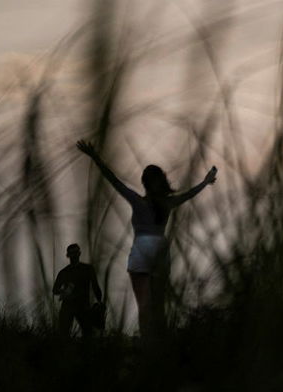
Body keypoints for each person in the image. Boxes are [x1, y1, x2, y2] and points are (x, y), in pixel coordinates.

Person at [76, 140, 217, 337]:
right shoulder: (155, 202)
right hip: (150, 253)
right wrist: (95, 158)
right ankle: (151, 343)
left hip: (149, 253)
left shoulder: (157, 202)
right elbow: (114, 181)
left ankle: (152, 343)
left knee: (152, 304)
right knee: (150, 304)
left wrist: (205, 182)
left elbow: (114, 180)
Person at [53, 243, 103, 337]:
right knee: (64, 333)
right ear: (68, 255)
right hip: (70, 305)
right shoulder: (65, 272)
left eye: (75, 253)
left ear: (79, 253)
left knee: (87, 334)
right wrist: (64, 291)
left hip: (82, 306)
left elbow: (95, 286)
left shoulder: (87, 269)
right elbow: (55, 290)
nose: (74, 255)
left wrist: (100, 302)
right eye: (72, 253)